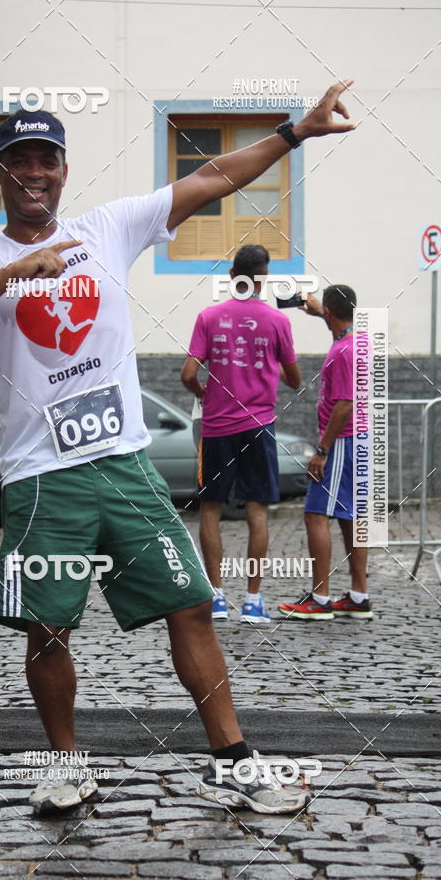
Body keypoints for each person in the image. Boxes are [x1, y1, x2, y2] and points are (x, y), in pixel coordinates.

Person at [0, 80, 355, 816]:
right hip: (40, 476)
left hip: (123, 464)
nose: (34, 173)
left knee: (189, 604)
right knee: (47, 626)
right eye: (18, 160)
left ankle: (234, 761)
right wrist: (12, 273)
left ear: (62, 168)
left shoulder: (109, 227)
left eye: (46, 160)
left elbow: (213, 177)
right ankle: (64, 766)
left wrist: (295, 132)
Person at [181, 245, 301, 624]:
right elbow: (295, 380)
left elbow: (187, 374)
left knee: (212, 509)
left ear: (233, 276)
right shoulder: (278, 322)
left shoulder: (209, 316)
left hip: (217, 427)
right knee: (257, 510)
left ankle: (215, 597)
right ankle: (252, 601)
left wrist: (204, 393)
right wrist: (270, 366)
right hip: (258, 426)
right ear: (263, 278)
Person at [278, 285, 372, 620]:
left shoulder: (343, 351)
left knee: (316, 514)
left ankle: (319, 600)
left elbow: (344, 405)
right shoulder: (357, 340)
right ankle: (359, 596)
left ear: (331, 313)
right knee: (350, 516)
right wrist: (320, 312)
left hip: (342, 440)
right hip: (358, 439)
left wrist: (321, 450)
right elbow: (338, 322)